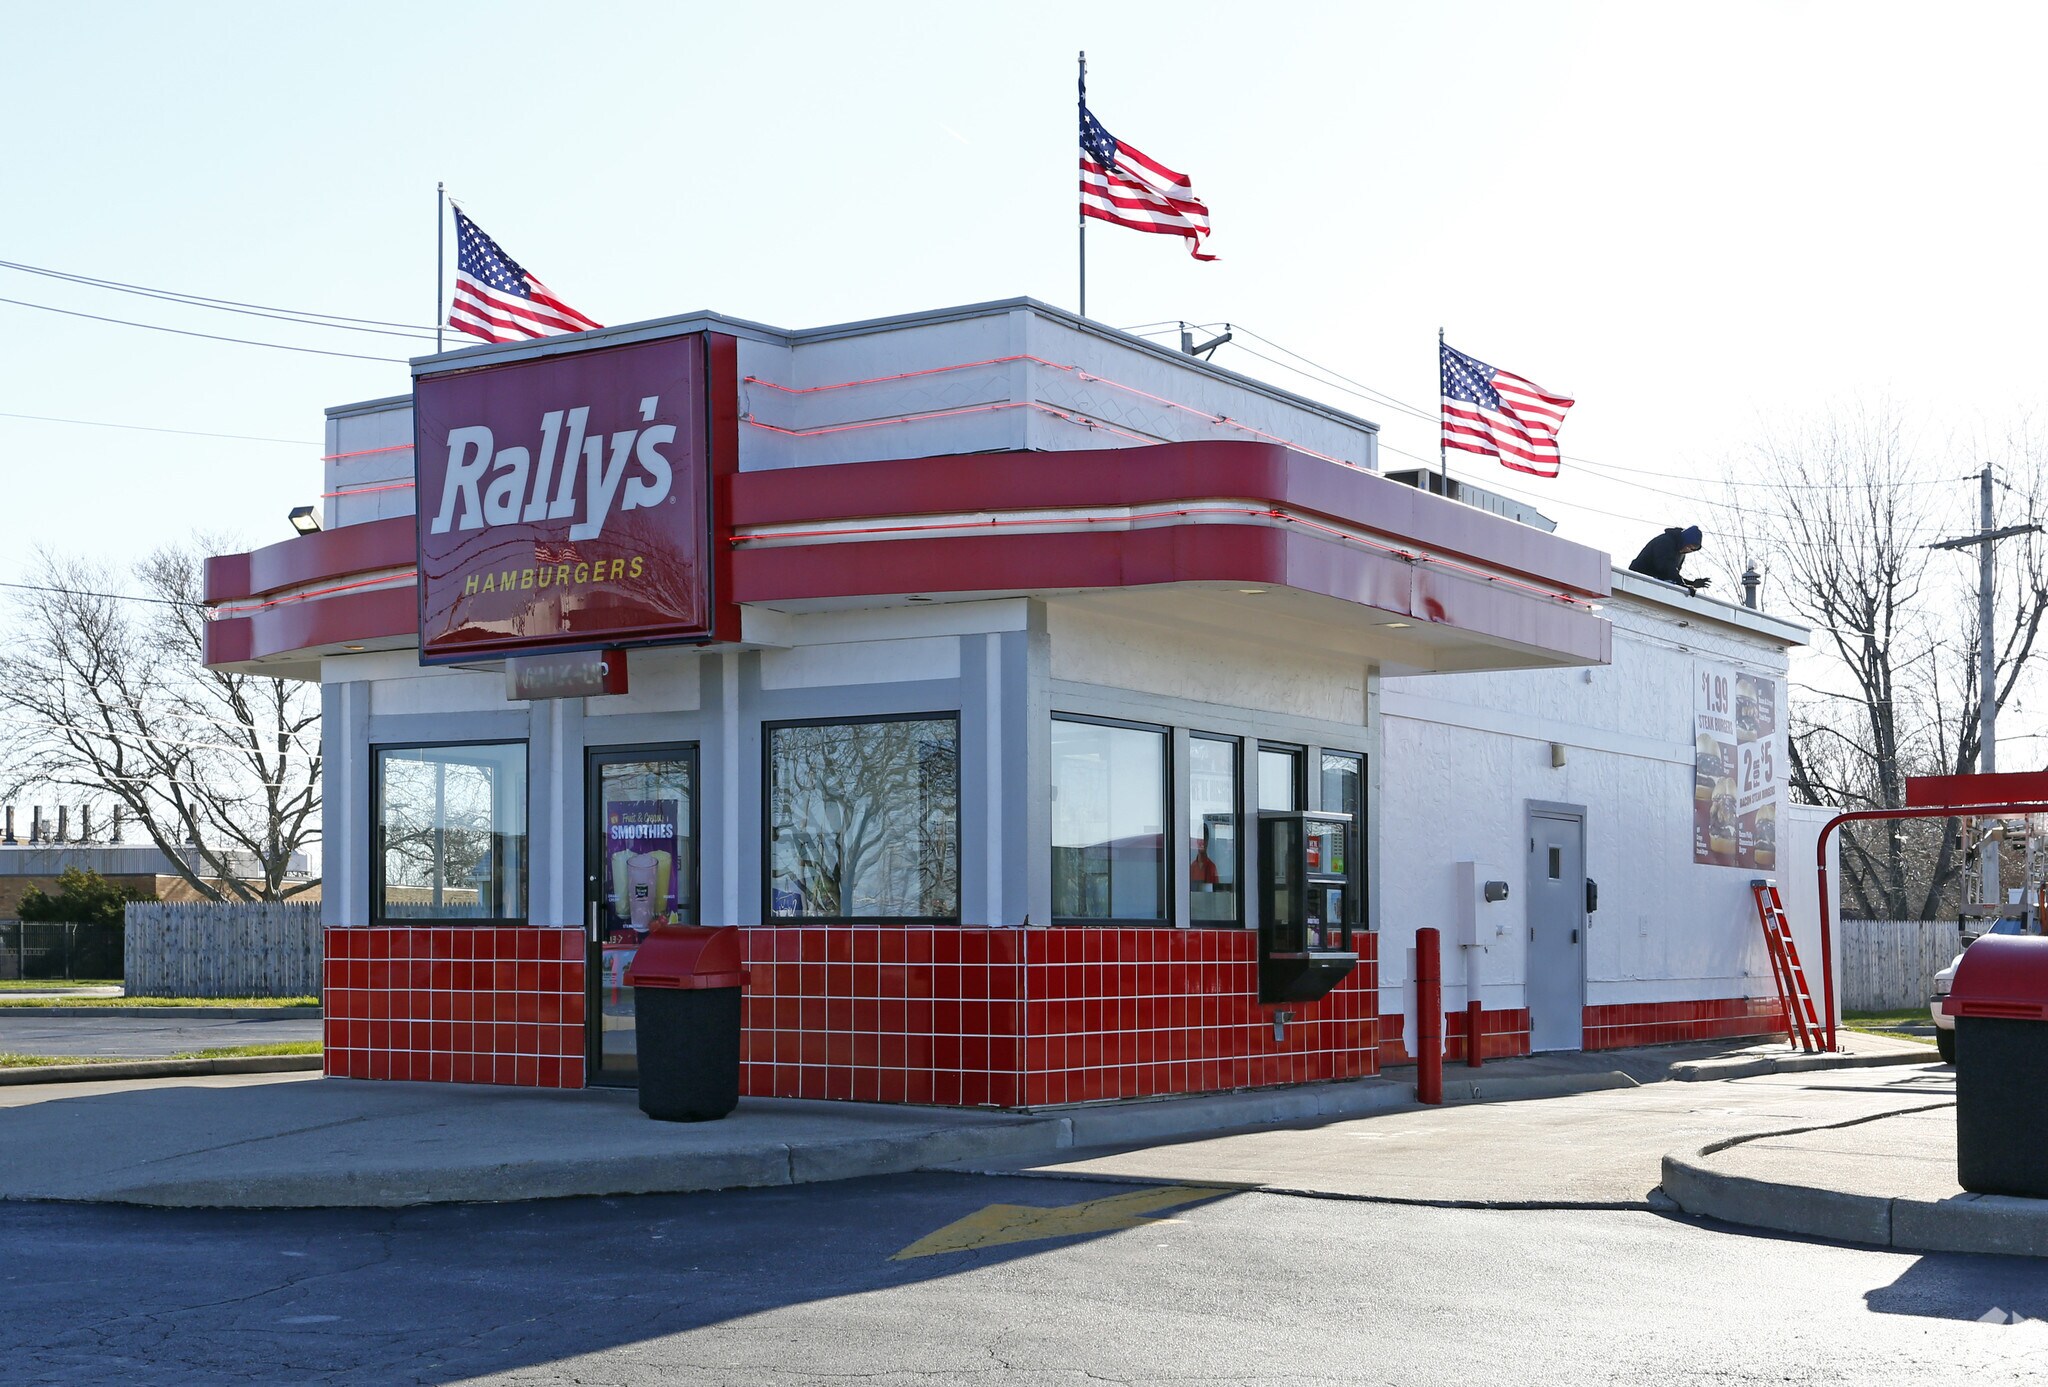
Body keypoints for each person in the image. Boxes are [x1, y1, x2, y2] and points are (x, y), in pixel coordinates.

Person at [1629, 525, 1711, 592]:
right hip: (1636, 579)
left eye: (1693, 549)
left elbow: (1671, 575)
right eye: (1689, 546)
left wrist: (1692, 584)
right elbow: (1665, 567)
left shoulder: (1680, 554)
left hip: (1651, 583)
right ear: (1684, 540)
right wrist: (1682, 584)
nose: (1689, 550)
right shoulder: (1666, 542)